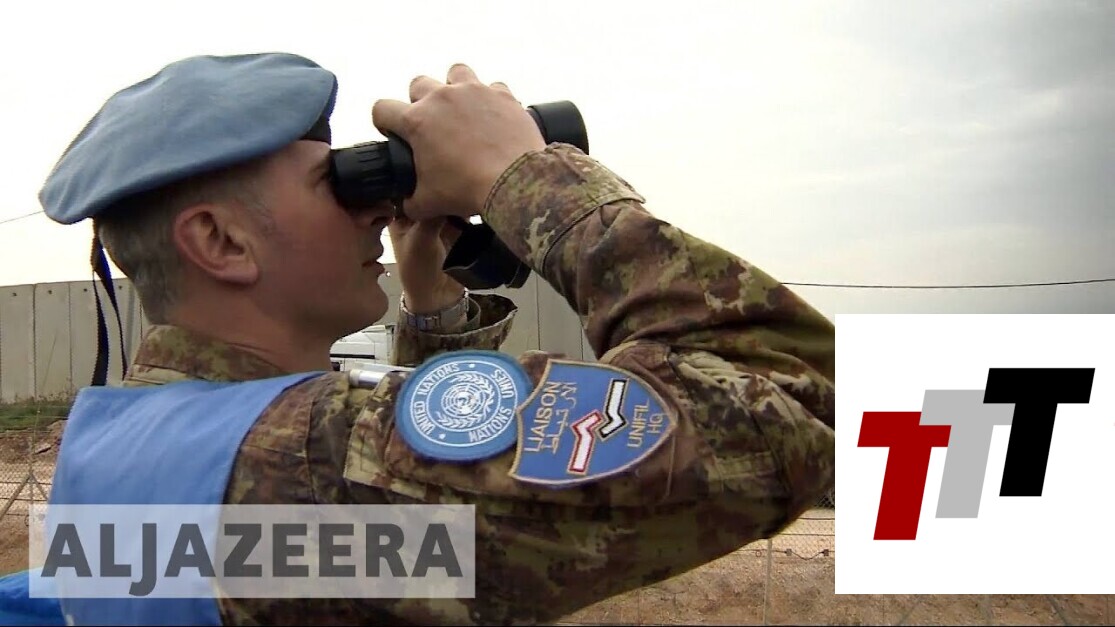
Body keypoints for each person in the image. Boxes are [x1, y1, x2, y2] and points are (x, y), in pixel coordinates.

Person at [8, 52, 836, 625]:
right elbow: (788, 394)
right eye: (331, 181)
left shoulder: (116, 446)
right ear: (222, 242)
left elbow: (410, 555)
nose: (375, 205)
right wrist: (523, 178)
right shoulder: (307, 462)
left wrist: (431, 300)